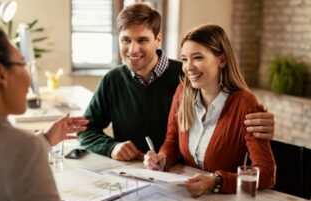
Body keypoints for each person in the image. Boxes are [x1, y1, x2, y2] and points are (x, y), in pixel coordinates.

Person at [0, 24, 186, 201]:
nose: (29, 77)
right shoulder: (21, 148)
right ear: (0, 74)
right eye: (22, 64)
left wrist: (43, 141)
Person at [78, 2, 275, 162]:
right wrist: (112, 147)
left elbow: (225, 114)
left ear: (158, 39)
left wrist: (256, 118)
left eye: (142, 40)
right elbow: (86, 130)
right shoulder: (112, 80)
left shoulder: (189, 78)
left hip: (183, 175)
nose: (132, 49)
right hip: (131, 175)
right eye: (126, 40)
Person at [144, 24, 276, 197]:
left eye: (197, 57)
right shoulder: (182, 93)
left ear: (222, 60)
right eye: (184, 59)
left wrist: (217, 181)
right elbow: (172, 140)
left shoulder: (245, 104)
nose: (188, 67)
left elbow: (266, 174)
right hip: (186, 196)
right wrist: (161, 159)